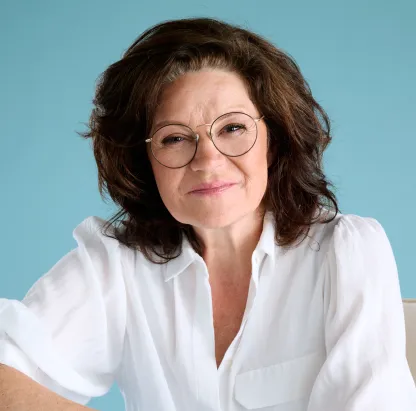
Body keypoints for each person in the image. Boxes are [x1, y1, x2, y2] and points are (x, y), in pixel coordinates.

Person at [0, 16, 415, 411]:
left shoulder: (347, 252)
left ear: (273, 140)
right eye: (174, 138)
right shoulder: (116, 264)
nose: (208, 161)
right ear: (144, 161)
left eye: (232, 128)